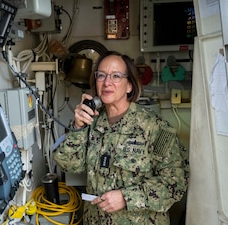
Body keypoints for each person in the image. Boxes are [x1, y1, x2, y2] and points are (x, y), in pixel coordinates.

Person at [53, 51, 189, 225]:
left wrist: (126, 198)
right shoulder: (90, 123)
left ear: (129, 86)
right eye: (101, 75)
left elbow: (175, 183)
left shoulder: (154, 127)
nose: (107, 82)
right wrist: (78, 128)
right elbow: (68, 165)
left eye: (116, 76)